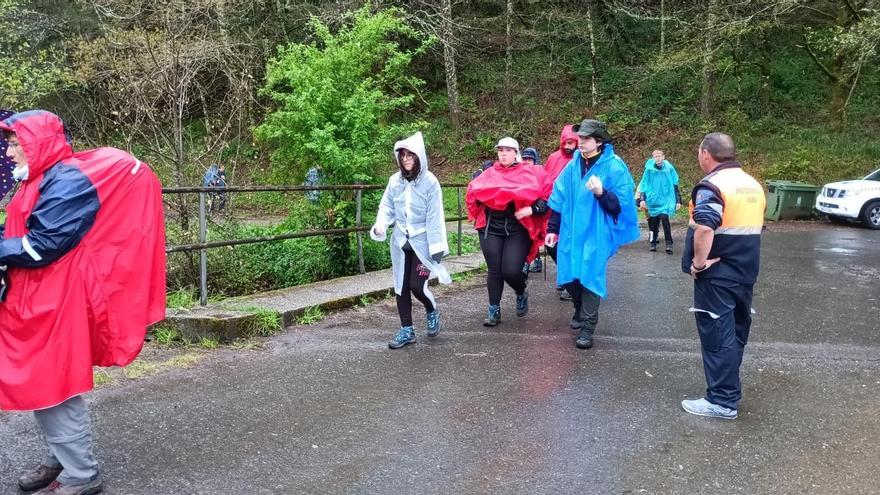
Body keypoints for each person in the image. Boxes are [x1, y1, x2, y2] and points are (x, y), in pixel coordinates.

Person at [0, 110, 166, 494]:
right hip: (36, 299)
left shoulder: (66, 182)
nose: (8, 152)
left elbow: (43, 246)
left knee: (54, 385)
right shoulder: (40, 179)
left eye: (14, 142)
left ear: (36, 142)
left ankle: (81, 474)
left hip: (53, 303)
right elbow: (29, 232)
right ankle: (64, 458)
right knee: (45, 385)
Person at [680, 132, 765, 420]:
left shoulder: (712, 186)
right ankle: (727, 388)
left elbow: (705, 226)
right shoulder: (752, 184)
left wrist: (699, 264)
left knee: (717, 335)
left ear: (706, 154)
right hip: (745, 272)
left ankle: (722, 400)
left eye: (698, 152)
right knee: (736, 332)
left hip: (717, 275)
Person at [546, 119, 639, 349]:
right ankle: (578, 306)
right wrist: (553, 228)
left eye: (586, 139)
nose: (581, 143)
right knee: (569, 272)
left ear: (598, 141)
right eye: (580, 139)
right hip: (571, 230)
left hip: (596, 231)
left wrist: (601, 193)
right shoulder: (573, 165)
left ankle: (588, 326)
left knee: (590, 274)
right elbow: (560, 195)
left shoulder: (614, 167)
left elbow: (622, 206)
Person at [371, 131, 451, 349]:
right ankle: (407, 329)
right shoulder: (394, 181)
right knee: (400, 286)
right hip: (400, 241)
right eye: (403, 155)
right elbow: (387, 206)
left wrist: (437, 246)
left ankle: (431, 310)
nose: (406, 159)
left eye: (410, 155)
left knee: (417, 286)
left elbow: (435, 215)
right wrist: (381, 225)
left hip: (423, 243)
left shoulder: (430, 182)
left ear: (419, 157)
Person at [467, 137, 549, 326]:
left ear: (516, 153)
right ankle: (493, 309)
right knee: (495, 270)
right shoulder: (488, 173)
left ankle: (521, 292)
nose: (503, 153)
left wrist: (533, 209)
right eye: (500, 150)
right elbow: (473, 194)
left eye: (508, 150)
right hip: (492, 226)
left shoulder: (530, 172)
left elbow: (546, 194)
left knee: (511, 271)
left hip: (517, 227)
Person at [540, 124, 579, 300]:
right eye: (566, 142)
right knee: (551, 245)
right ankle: (565, 273)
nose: (568, 146)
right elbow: (545, 181)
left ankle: (572, 280)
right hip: (555, 210)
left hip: (576, 211)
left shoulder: (582, 160)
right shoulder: (553, 158)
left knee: (573, 246)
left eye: (572, 142)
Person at [637, 149, 681, 253]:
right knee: (653, 222)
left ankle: (669, 244)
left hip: (666, 200)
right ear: (653, 158)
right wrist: (642, 199)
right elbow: (644, 185)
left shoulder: (669, 169)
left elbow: (675, 185)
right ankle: (652, 242)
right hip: (653, 200)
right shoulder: (649, 170)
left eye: (659, 156)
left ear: (663, 157)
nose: (658, 158)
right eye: (655, 156)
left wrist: (678, 200)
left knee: (665, 218)